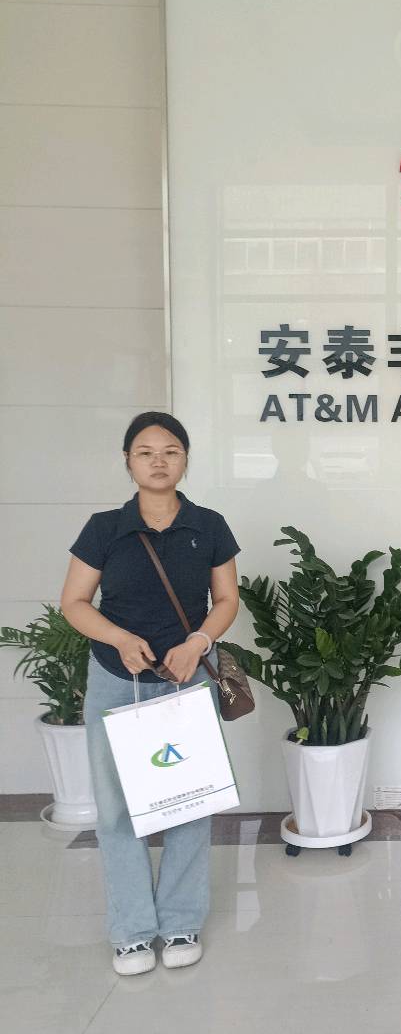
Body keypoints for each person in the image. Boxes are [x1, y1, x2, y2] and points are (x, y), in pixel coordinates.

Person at [60, 411, 240, 976]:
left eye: (170, 451)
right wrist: (120, 639)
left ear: (185, 459)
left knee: (190, 800)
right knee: (117, 810)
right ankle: (132, 931)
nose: (158, 461)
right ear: (128, 461)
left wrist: (198, 642)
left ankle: (181, 921)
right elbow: (74, 603)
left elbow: (226, 600)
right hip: (116, 679)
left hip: (187, 679)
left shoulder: (209, 525)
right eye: (145, 452)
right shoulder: (103, 528)